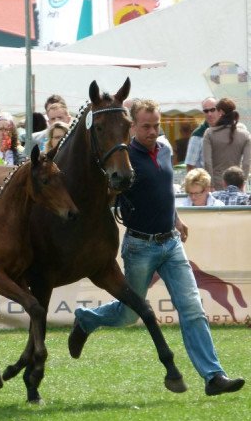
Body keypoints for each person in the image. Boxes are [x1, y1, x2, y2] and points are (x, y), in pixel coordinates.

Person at [68, 99, 245, 397]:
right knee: (127, 315)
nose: (153, 131)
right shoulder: (123, 158)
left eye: (156, 125)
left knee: (193, 309)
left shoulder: (164, 149)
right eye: (146, 126)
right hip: (139, 246)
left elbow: (164, 191)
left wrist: (175, 219)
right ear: (132, 127)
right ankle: (87, 318)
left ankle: (214, 376)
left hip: (171, 244)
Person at [203, 97, 251, 190]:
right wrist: (243, 183)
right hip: (238, 184)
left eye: (215, 110)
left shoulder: (209, 133)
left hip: (217, 184)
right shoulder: (245, 135)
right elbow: (246, 163)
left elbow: (207, 162)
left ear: (221, 112)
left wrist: (211, 184)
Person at [185, 97, 220, 171]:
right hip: (205, 180)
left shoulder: (228, 130)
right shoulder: (197, 134)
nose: (209, 114)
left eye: (212, 110)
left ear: (219, 111)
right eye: (206, 111)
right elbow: (190, 165)